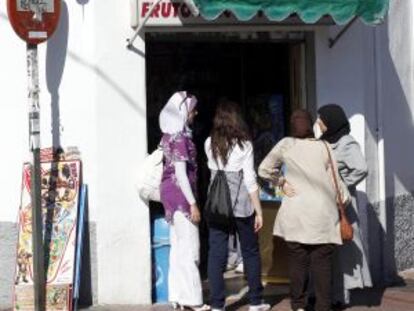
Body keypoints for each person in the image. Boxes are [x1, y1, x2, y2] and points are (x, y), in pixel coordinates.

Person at [259, 109, 345, 311]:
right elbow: (336, 182)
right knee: (322, 264)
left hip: (295, 214)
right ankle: (323, 306)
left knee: (298, 263)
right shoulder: (324, 146)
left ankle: (298, 305)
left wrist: (281, 182)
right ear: (310, 126)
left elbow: (263, 169)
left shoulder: (286, 144)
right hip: (323, 215)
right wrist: (344, 204)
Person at [204, 100, 270, 311]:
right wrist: (259, 210)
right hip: (241, 205)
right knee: (250, 251)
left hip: (217, 205)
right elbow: (250, 180)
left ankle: (216, 305)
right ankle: (255, 301)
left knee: (216, 253)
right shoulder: (244, 146)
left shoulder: (208, 143)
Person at [315, 104, 372, 307]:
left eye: (321, 119)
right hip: (324, 203)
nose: (318, 122)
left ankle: (341, 296)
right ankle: (326, 293)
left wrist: (343, 184)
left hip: (341, 205)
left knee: (342, 253)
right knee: (327, 250)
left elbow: (362, 168)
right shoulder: (324, 142)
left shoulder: (346, 143)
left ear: (331, 121)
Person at [159, 91, 209, 311]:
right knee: (190, 249)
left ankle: (177, 296)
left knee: (177, 248)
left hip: (170, 197)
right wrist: (193, 203)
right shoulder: (180, 138)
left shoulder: (168, 136)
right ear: (183, 111)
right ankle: (194, 300)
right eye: (192, 109)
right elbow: (181, 173)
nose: (194, 113)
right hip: (181, 198)